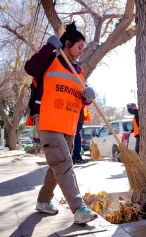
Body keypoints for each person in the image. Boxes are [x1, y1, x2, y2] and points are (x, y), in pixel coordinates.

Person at [24, 22, 97, 224]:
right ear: (67, 43)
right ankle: (78, 208)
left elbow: (80, 98)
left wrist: (87, 97)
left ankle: (43, 201)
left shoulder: (78, 71)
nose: (81, 52)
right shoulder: (52, 57)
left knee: (58, 164)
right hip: (48, 119)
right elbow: (30, 68)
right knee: (63, 163)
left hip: (69, 123)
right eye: (79, 47)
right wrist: (49, 46)